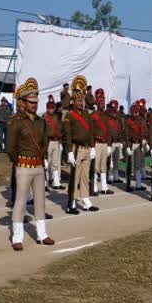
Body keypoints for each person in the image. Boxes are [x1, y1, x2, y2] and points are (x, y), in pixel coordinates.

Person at [7, 78, 54, 251]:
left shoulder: (41, 122)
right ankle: (17, 237)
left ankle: (42, 234)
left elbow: (45, 141)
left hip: (39, 166)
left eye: (35, 102)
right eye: (30, 102)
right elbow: (10, 147)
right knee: (20, 201)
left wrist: (43, 158)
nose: (34, 105)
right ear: (23, 102)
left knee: (40, 201)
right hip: (24, 165)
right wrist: (18, 161)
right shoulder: (16, 122)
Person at [63, 75, 99, 213]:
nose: (81, 103)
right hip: (76, 149)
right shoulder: (70, 116)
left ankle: (85, 200)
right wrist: (70, 151)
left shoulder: (87, 115)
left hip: (86, 149)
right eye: (78, 100)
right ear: (73, 101)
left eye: (82, 100)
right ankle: (71, 203)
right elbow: (68, 135)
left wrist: (92, 146)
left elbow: (91, 132)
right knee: (75, 177)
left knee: (85, 176)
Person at [43, 100, 64, 189]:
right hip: (48, 141)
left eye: (52, 108)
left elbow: (59, 128)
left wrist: (60, 139)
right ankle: (44, 183)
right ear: (47, 108)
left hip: (56, 141)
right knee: (47, 163)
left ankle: (56, 182)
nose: (51, 110)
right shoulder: (44, 118)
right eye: (50, 108)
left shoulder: (56, 117)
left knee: (55, 162)